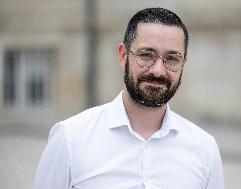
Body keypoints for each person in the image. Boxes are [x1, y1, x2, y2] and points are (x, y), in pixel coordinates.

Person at [33, 7, 224, 189]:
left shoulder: (205, 149)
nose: (158, 70)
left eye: (172, 58)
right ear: (123, 55)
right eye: (146, 55)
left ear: (183, 63)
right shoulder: (70, 138)